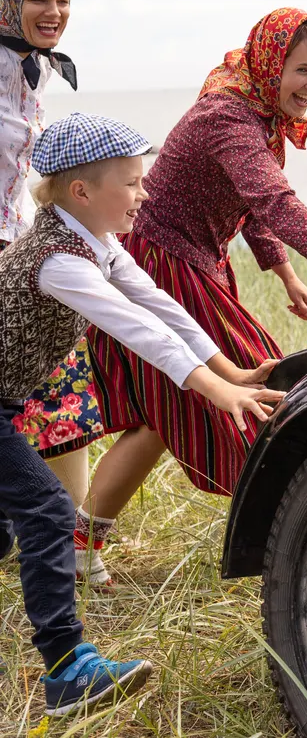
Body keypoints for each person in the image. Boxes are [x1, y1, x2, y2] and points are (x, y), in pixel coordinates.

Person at [73, 8, 307, 586]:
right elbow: (274, 200)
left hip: (189, 260)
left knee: (163, 414)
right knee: (263, 390)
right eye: (302, 69)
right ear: (271, 63)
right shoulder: (228, 114)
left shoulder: (253, 103)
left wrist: (283, 272)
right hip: (163, 264)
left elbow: (251, 203)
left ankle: (80, 545)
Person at [0, 112, 283, 716]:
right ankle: (66, 669)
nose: (145, 194)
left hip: (7, 398)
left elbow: (160, 305)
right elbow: (139, 332)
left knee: (8, 528)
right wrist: (213, 390)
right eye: (131, 183)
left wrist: (229, 372)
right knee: (47, 511)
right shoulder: (58, 261)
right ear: (82, 192)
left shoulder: (97, 243)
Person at [0, 0, 103, 518]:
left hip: (22, 248)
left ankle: (76, 539)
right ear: (11, 2)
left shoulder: (33, 70)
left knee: (62, 386)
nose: (54, 12)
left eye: (63, 1)